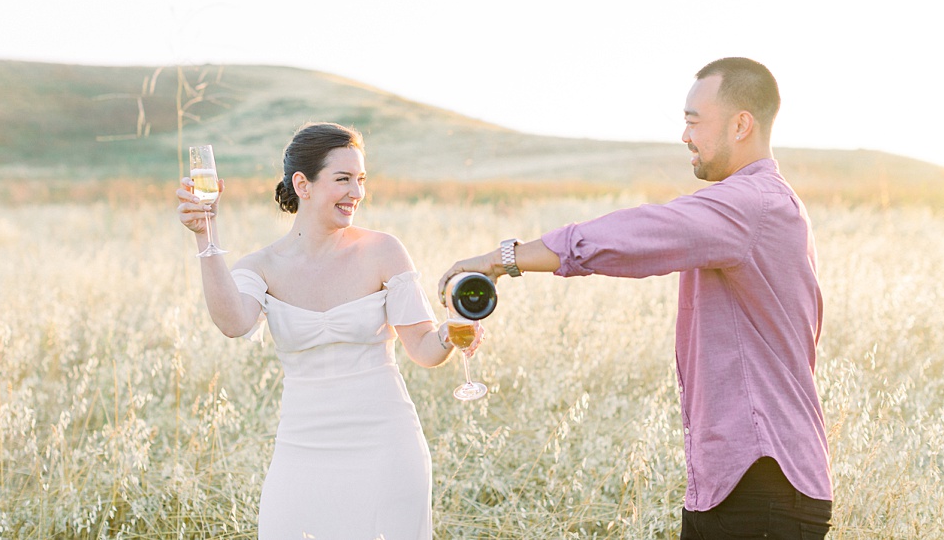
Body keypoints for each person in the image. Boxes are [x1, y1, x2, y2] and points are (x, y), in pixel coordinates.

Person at [438, 58, 833, 539]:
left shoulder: (752, 204)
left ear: (741, 125)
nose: (684, 136)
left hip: (763, 482)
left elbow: (634, 235)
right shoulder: (761, 205)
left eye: (692, 121)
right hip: (735, 482)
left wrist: (504, 259)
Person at [177, 122, 474, 540]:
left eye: (361, 179)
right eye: (343, 179)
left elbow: (424, 350)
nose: (357, 192)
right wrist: (205, 236)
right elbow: (233, 323)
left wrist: (450, 333)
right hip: (301, 451)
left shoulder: (384, 250)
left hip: (387, 447)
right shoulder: (262, 266)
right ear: (303, 184)